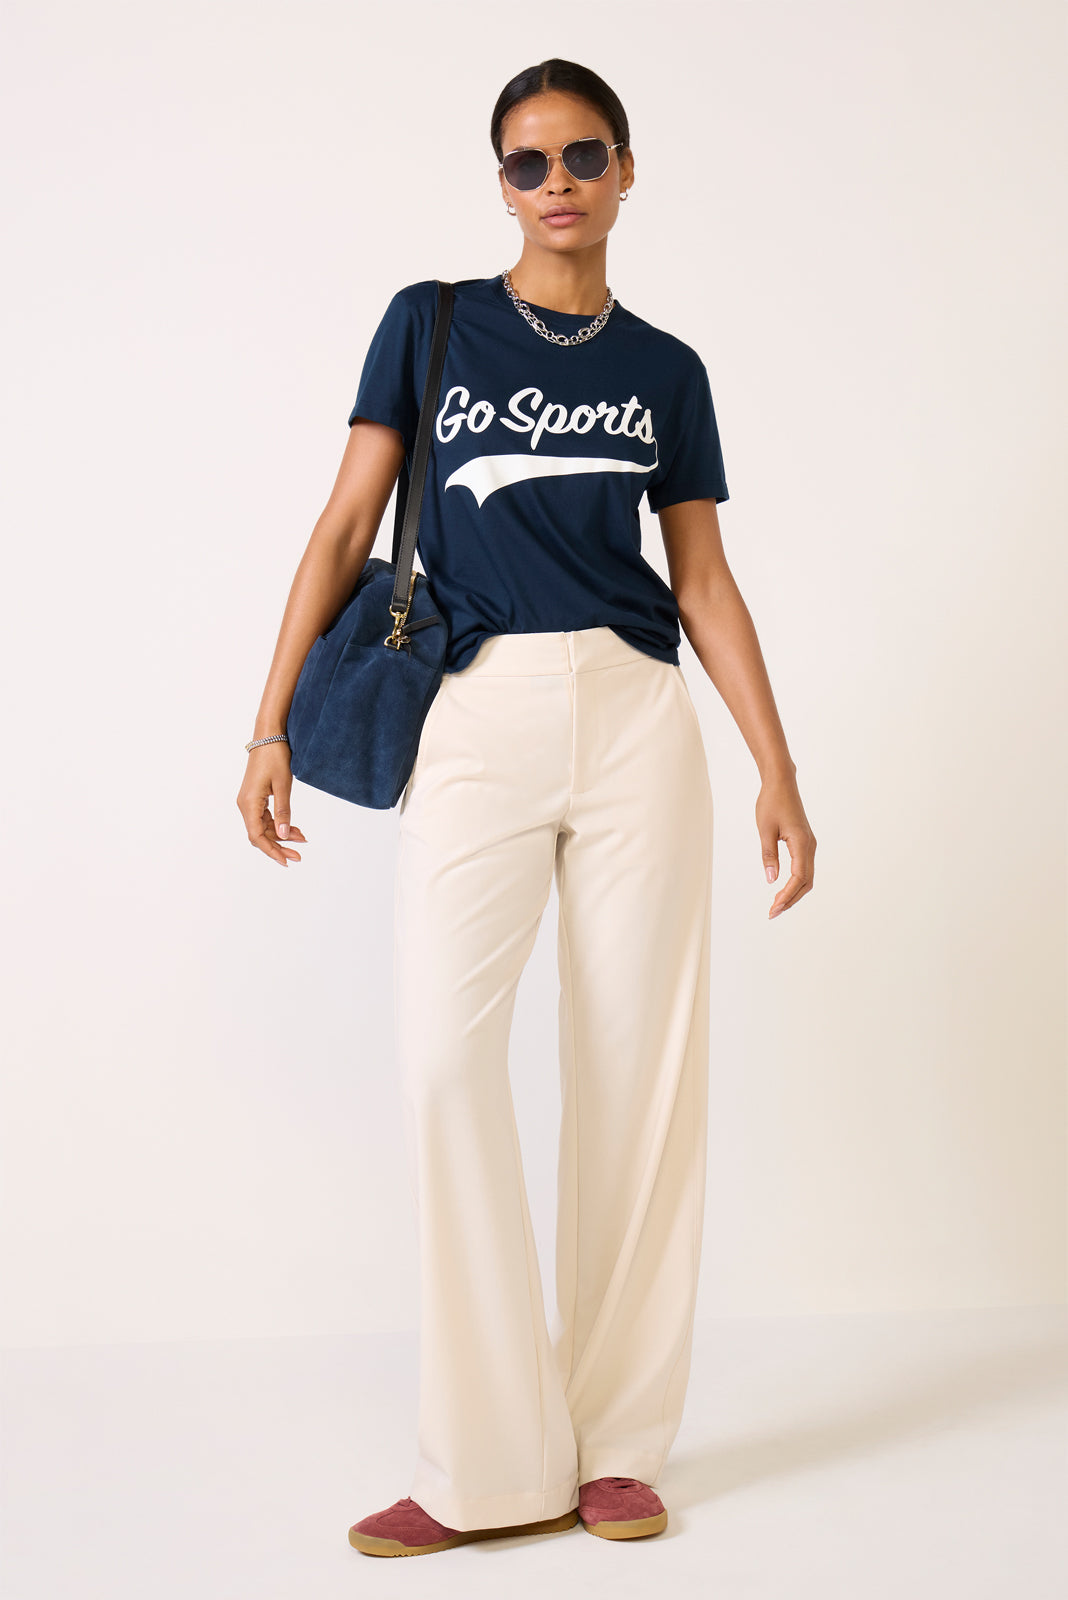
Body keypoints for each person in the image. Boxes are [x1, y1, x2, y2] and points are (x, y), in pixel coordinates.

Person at [236, 57, 816, 1560]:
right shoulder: (430, 321)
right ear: (499, 182)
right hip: (475, 712)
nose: (557, 183)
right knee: (446, 1059)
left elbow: (702, 578)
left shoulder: (668, 368)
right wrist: (269, 721)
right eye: (527, 161)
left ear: (627, 170)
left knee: (639, 1072)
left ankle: (616, 1447)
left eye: (583, 155)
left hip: (634, 715)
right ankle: (488, 1463)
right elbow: (345, 524)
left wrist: (777, 767)